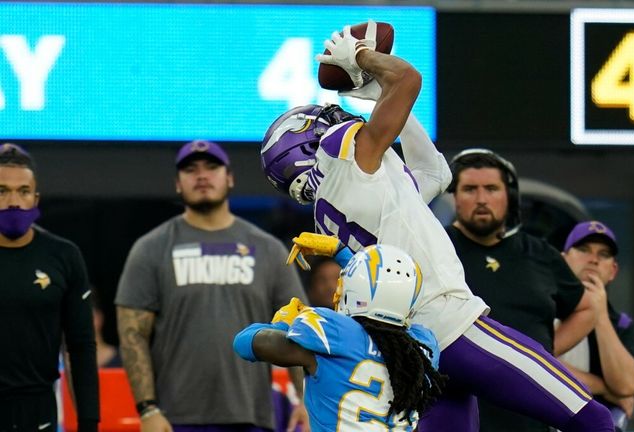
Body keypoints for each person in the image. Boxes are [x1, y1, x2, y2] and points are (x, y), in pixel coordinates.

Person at [260, 21, 614, 431]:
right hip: (453, 326)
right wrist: (361, 58)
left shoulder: (346, 194)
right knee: (593, 418)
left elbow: (434, 173)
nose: (336, 118)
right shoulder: (344, 159)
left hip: (416, 351)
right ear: (308, 146)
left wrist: (380, 98)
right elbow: (408, 79)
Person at [115, 140, 309, 431]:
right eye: (191, 169)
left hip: (251, 415)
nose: (202, 175)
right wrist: (147, 410)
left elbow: (298, 329)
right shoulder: (151, 249)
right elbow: (132, 334)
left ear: (229, 177)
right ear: (178, 184)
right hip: (175, 418)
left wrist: (306, 402)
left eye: (211, 167)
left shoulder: (268, 250)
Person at [445, 149, 598, 432]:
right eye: (469, 189)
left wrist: (544, 351)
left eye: (491, 189)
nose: (481, 199)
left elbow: (587, 307)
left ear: (509, 196)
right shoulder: (438, 248)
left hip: (531, 418)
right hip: (462, 412)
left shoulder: (539, 253)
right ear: (453, 196)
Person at [233, 243, 447, 431]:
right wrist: (342, 253)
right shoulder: (423, 349)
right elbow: (381, 293)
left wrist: (281, 324)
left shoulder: (333, 334)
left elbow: (243, 343)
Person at [0, 143, 99, 431]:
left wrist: (89, 423)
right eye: (2, 191)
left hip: (38, 411)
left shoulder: (63, 256)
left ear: (36, 198)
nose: (14, 202)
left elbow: (80, 347)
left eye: (23, 191)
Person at [560, 221, 634, 430]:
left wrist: (600, 316)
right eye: (583, 249)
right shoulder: (544, 308)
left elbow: (626, 386)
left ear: (613, 271)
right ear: (562, 260)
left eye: (604, 254)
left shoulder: (621, 324)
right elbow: (537, 362)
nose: (593, 260)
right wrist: (603, 388)